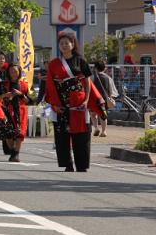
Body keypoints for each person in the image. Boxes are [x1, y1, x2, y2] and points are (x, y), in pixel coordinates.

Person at [46, 32, 105, 172]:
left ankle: (82, 164)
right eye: (61, 44)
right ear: (59, 46)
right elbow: (50, 85)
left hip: (79, 101)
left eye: (67, 43)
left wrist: (86, 100)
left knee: (82, 133)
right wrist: (54, 104)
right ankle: (67, 164)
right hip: (61, 101)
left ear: (73, 44)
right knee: (62, 134)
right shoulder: (54, 64)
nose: (64, 46)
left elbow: (87, 82)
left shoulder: (81, 61)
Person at [0, 64, 30, 162]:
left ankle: (16, 154)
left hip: (20, 110)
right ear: (8, 72)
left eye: (15, 71)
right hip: (7, 110)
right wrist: (5, 95)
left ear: (19, 72)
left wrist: (20, 94)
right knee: (8, 134)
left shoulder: (23, 84)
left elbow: (28, 100)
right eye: (11, 71)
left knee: (20, 133)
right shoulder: (4, 84)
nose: (13, 73)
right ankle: (12, 151)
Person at [91, 61, 117, 137]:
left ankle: (96, 128)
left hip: (94, 98)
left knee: (93, 114)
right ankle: (104, 131)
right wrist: (111, 98)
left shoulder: (92, 77)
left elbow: (89, 89)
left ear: (95, 68)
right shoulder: (108, 78)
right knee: (103, 115)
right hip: (104, 99)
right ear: (104, 68)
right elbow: (112, 90)